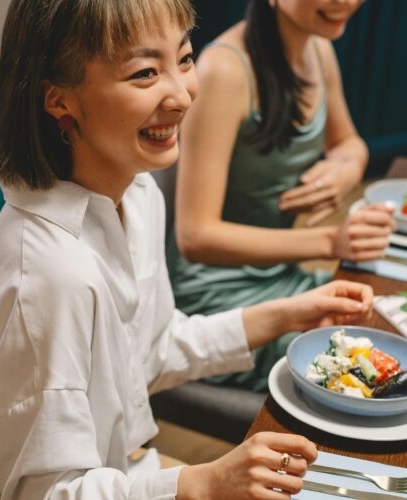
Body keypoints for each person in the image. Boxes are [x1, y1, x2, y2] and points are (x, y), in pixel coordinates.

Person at [0, 1, 374, 498]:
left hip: (124, 471)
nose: (183, 95)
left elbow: (152, 350)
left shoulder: (138, 194)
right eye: (145, 72)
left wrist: (284, 314)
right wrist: (201, 481)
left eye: (184, 59)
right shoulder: (50, 273)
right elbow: (50, 491)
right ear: (59, 100)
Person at [169, 0, 395, 392]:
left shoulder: (317, 48)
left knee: (395, 320)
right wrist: (330, 239)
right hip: (219, 303)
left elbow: (348, 142)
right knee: (376, 362)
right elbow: (195, 236)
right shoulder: (224, 70)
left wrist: (348, 166)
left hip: (285, 279)